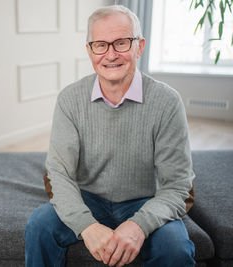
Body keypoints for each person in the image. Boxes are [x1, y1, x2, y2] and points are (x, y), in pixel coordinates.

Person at [25, 5, 196, 267]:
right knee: (39, 225)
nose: (111, 54)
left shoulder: (167, 101)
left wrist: (139, 225)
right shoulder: (70, 100)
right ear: (89, 51)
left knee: (176, 250)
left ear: (139, 46)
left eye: (121, 42)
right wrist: (87, 226)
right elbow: (59, 174)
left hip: (144, 200)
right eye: (100, 45)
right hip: (88, 198)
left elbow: (178, 186)